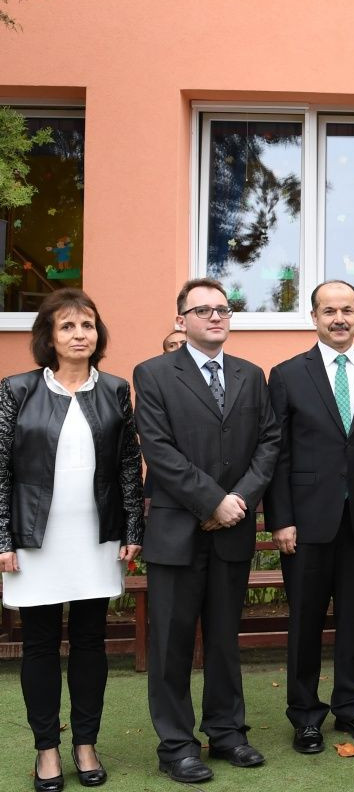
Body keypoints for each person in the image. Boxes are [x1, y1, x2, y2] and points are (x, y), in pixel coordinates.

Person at [133, 278, 280, 784]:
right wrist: (212, 499)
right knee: (172, 644)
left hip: (233, 529)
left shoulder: (250, 375)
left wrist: (237, 500)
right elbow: (158, 448)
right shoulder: (153, 374)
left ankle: (227, 733)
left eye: (223, 309)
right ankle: (176, 745)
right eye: (203, 310)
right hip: (177, 531)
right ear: (182, 320)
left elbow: (269, 442)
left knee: (224, 640)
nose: (215, 317)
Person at [0, 289, 144, 791]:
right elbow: (1, 469)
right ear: (49, 337)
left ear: (97, 334)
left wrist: (131, 527)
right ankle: (46, 751)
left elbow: (128, 464)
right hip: (35, 538)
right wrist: (3, 538)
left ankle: (86, 743)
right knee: (39, 646)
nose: (79, 334)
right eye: (67, 326)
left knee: (89, 642)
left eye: (87, 325)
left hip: (95, 538)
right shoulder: (16, 390)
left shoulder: (115, 389)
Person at [265, 281, 354, 753]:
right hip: (305, 524)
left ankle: (351, 708)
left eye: (347, 310)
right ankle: (305, 715)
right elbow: (277, 455)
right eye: (329, 311)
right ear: (314, 317)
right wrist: (280, 519)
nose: (339, 318)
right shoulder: (286, 375)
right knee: (304, 621)